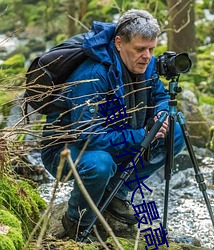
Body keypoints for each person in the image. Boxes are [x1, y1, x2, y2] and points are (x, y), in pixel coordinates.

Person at [41, 9, 185, 241]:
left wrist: (161, 114)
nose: (147, 56)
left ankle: (117, 192)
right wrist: (141, 135)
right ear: (119, 43)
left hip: (117, 136)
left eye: (151, 49)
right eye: (140, 49)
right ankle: (76, 222)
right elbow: (87, 136)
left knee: (175, 132)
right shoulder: (92, 75)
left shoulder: (145, 64)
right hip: (67, 150)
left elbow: (159, 96)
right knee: (100, 164)